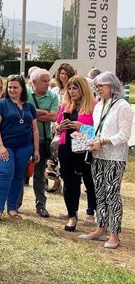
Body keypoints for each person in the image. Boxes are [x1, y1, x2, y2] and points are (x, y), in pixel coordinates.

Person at [81, 72, 133, 248]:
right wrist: (84, 137)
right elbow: (97, 128)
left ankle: (115, 233)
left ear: (111, 86)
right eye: (95, 86)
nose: (97, 89)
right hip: (97, 155)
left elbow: (124, 135)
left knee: (112, 194)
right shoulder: (98, 105)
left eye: (100, 86)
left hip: (115, 157)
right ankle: (101, 228)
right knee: (99, 193)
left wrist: (102, 141)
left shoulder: (123, 106)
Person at [0, 74, 40, 222]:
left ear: (22, 88)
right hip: (4, 146)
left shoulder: (29, 106)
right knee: (5, 172)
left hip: (24, 147)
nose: (12, 90)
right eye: (10, 87)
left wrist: (36, 149)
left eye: (15, 87)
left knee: (18, 176)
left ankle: (12, 208)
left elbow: (34, 129)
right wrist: (0, 146)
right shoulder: (1, 104)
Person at [55, 75, 96, 232]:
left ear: (83, 88)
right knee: (69, 182)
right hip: (66, 146)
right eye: (69, 88)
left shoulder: (93, 105)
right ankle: (72, 216)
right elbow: (57, 124)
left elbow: (98, 130)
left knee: (89, 181)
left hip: (85, 148)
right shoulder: (66, 104)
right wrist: (60, 127)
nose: (71, 91)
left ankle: (91, 212)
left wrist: (82, 127)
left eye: (75, 88)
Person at [25, 69, 59, 218]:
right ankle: (15, 204)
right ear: (34, 82)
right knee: (20, 174)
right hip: (25, 140)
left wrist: (32, 113)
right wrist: (42, 112)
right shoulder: (25, 93)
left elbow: (53, 117)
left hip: (44, 140)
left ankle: (41, 206)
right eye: (44, 81)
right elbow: (23, 112)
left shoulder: (52, 95)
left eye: (48, 80)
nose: (48, 83)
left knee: (39, 176)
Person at [47, 63, 77, 194]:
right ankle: (56, 181)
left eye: (66, 74)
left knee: (67, 157)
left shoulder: (73, 90)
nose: (63, 76)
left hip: (70, 126)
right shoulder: (54, 91)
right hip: (56, 125)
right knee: (54, 155)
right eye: (61, 74)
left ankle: (68, 183)